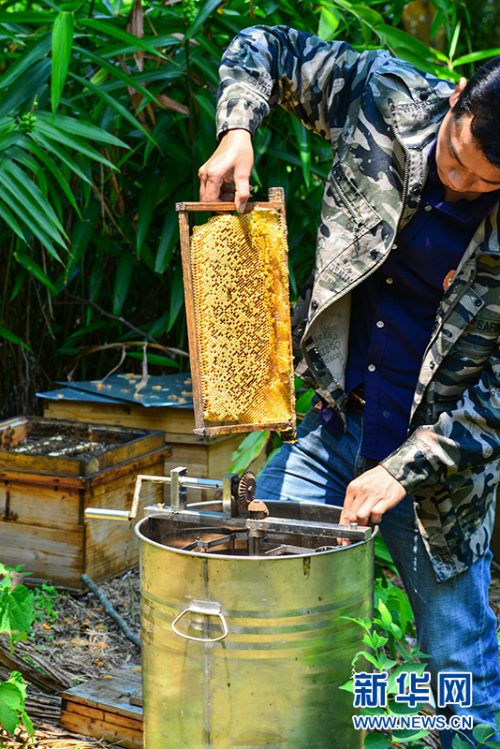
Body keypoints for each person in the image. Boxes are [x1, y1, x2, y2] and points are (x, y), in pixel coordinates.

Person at [198, 25, 500, 747]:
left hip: (436, 489)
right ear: (455, 101)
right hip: (335, 427)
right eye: (456, 155)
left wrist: (401, 470)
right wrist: (238, 128)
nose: (459, 179)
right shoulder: (387, 95)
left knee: (461, 669)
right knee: (266, 602)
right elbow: (262, 47)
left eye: (483, 180)